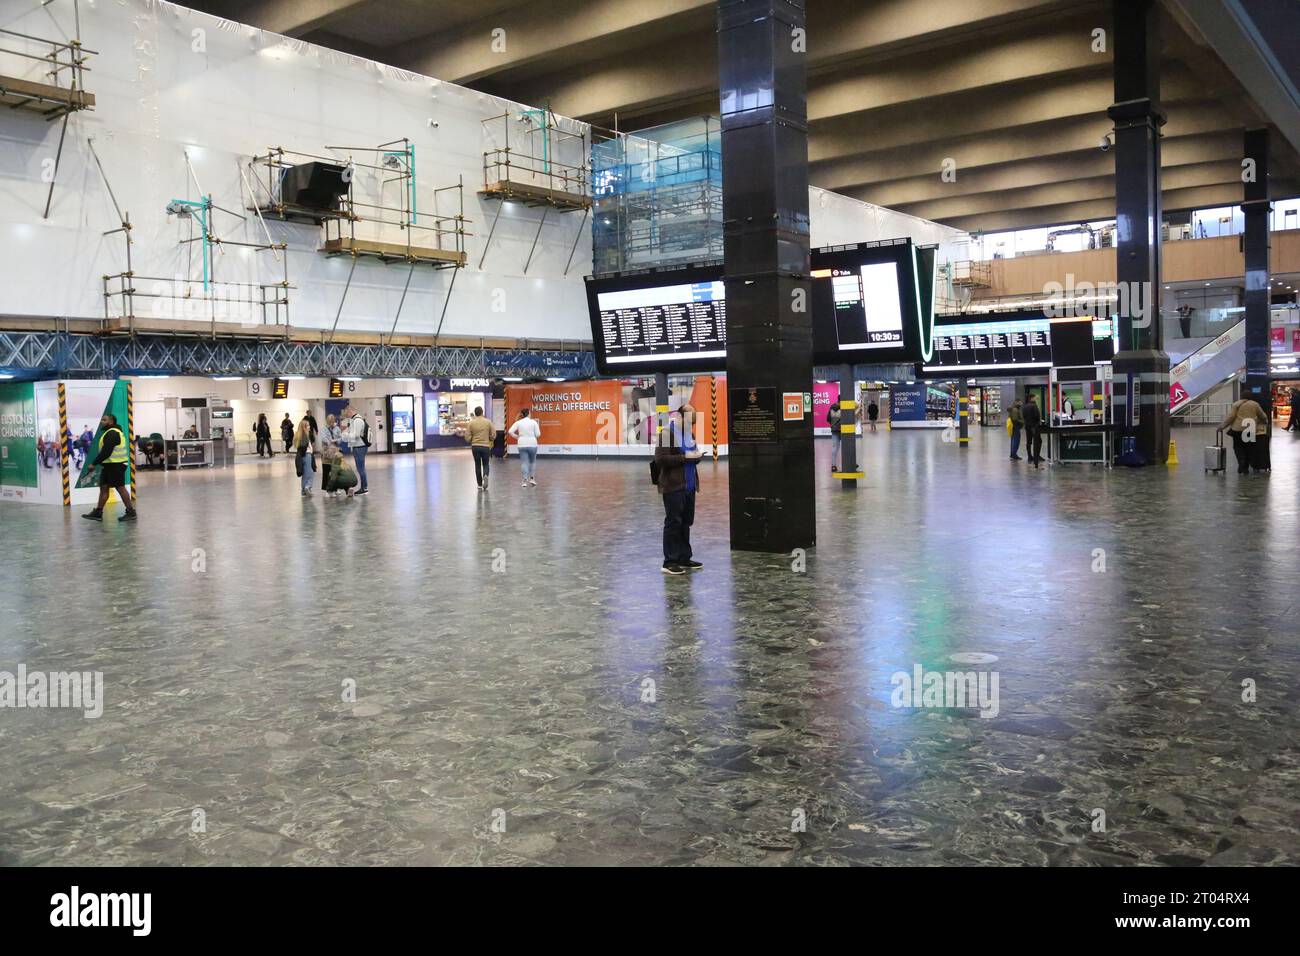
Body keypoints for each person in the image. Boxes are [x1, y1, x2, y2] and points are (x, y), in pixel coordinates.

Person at [655, 403, 704, 575]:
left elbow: (692, 457)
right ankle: (670, 561)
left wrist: (696, 457)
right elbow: (660, 459)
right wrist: (685, 457)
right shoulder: (667, 434)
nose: (691, 425)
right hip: (674, 486)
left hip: (689, 486)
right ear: (679, 417)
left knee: (685, 523)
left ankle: (684, 557)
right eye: (689, 421)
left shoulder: (689, 434)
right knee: (673, 522)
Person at [81, 413, 137, 522]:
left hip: (117, 465)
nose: (102, 421)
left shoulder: (113, 433)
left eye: (104, 420)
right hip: (109, 465)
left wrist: (94, 463)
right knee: (104, 487)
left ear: (111, 422)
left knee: (120, 487)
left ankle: (131, 512)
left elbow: (106, 452)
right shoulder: (109, 432)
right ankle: (98, 512)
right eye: (102, 419)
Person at [1220, 393, 1270, 474]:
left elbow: (1231, 417)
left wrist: (1222, 426)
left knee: (1238, 448)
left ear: (1241, 397)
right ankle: (1247, 464)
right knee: (1249, 448)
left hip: (1238, 430)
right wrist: (1265, 422)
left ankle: (1242, 464)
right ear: (1250, 397)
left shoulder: (1236, 404)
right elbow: (1263, 416)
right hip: (1250, 429)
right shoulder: (1255, 404)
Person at [507, 408, 542, 486]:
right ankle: (532, 479)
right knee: (532, 461)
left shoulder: (518, 422)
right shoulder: (533, 422)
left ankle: (524, 481)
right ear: (529, 413)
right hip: (532, 444)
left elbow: (510, 431)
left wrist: (517, 437)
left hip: (521, 443)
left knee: (524, 462)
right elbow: (538, 434)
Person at [341, 405, 370, 496]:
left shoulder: (357, 420)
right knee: (360, 468)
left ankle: (364, 488)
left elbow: (356, 435)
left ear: (350, 411)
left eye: (347, 414)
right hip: (358, 447)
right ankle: (364, 487)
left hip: (359, 447)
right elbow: (353, 433)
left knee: (361, 468)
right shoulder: (355, 420)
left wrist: (345, 435)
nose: (347, 416)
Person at [466, 406, 495, 490]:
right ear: (482, 412)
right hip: (485, 446)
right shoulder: (488, 422)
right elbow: (493, 434)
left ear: (475, 413)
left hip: (475, 446)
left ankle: (479, 484)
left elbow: (467, 436)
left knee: (477, 464)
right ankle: (485, 474)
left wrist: (472, 439)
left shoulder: (471, 423)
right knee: (486, 463)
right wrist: (490, 438)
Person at [319, 414, 342, 495]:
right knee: (326, 470)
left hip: (335, 451)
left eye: (332, 422)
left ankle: (336, 488)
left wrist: (336, 440)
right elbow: (324, 438)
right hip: (326, 452)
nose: (331, 423)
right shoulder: (323, 428)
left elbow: (340, 439)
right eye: (329, 422)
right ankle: (326, 489)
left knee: (336, 470)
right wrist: (330, 441)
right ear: (327, 421)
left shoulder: (337, 428)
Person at [293, 418, 316, 497]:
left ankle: (304, 491)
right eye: (308, 426)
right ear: (304, 427)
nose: (310, 427)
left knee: (306, 473)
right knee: (309, 473)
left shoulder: (299, 435)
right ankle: (307, 487)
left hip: (302, 456)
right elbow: (304, 446)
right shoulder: (304, 436)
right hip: (307, 455)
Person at [1022, 393, 1044, 466]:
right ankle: (1037, 456)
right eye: (1034, 397)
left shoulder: (1024, 407)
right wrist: (1038, 422)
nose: (1035, 399)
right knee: (1038, 441)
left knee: (1029, 442)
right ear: (1031, 398)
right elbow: (1037, 416)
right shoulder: (1034, 406)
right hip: (1034, 426)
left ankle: (1029, 456)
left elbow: (1024, 416)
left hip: (1027, 426)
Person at [827, 402, 842, 472]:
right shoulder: (844, 407)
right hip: (843, 430)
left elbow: (827, 418)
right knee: (847, 447)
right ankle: (850, 464)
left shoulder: (831, 408)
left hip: (834, 430)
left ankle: (833, 465)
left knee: (834, 448)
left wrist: (833, 425)